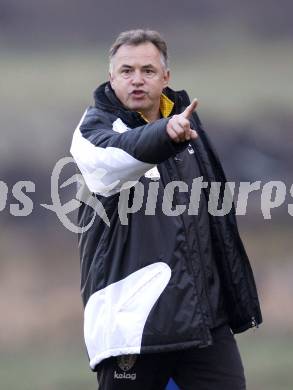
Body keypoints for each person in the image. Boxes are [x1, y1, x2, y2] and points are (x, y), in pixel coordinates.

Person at [70, 29, 262, 390]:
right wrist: (165, 134)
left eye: (148, 70)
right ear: (111, 77)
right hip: (135, 328)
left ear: (166, 77)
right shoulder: (94, 131)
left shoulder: (187, 126)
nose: (137, 80)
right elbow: (117, 156)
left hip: (204, 324)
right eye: (126, 71)